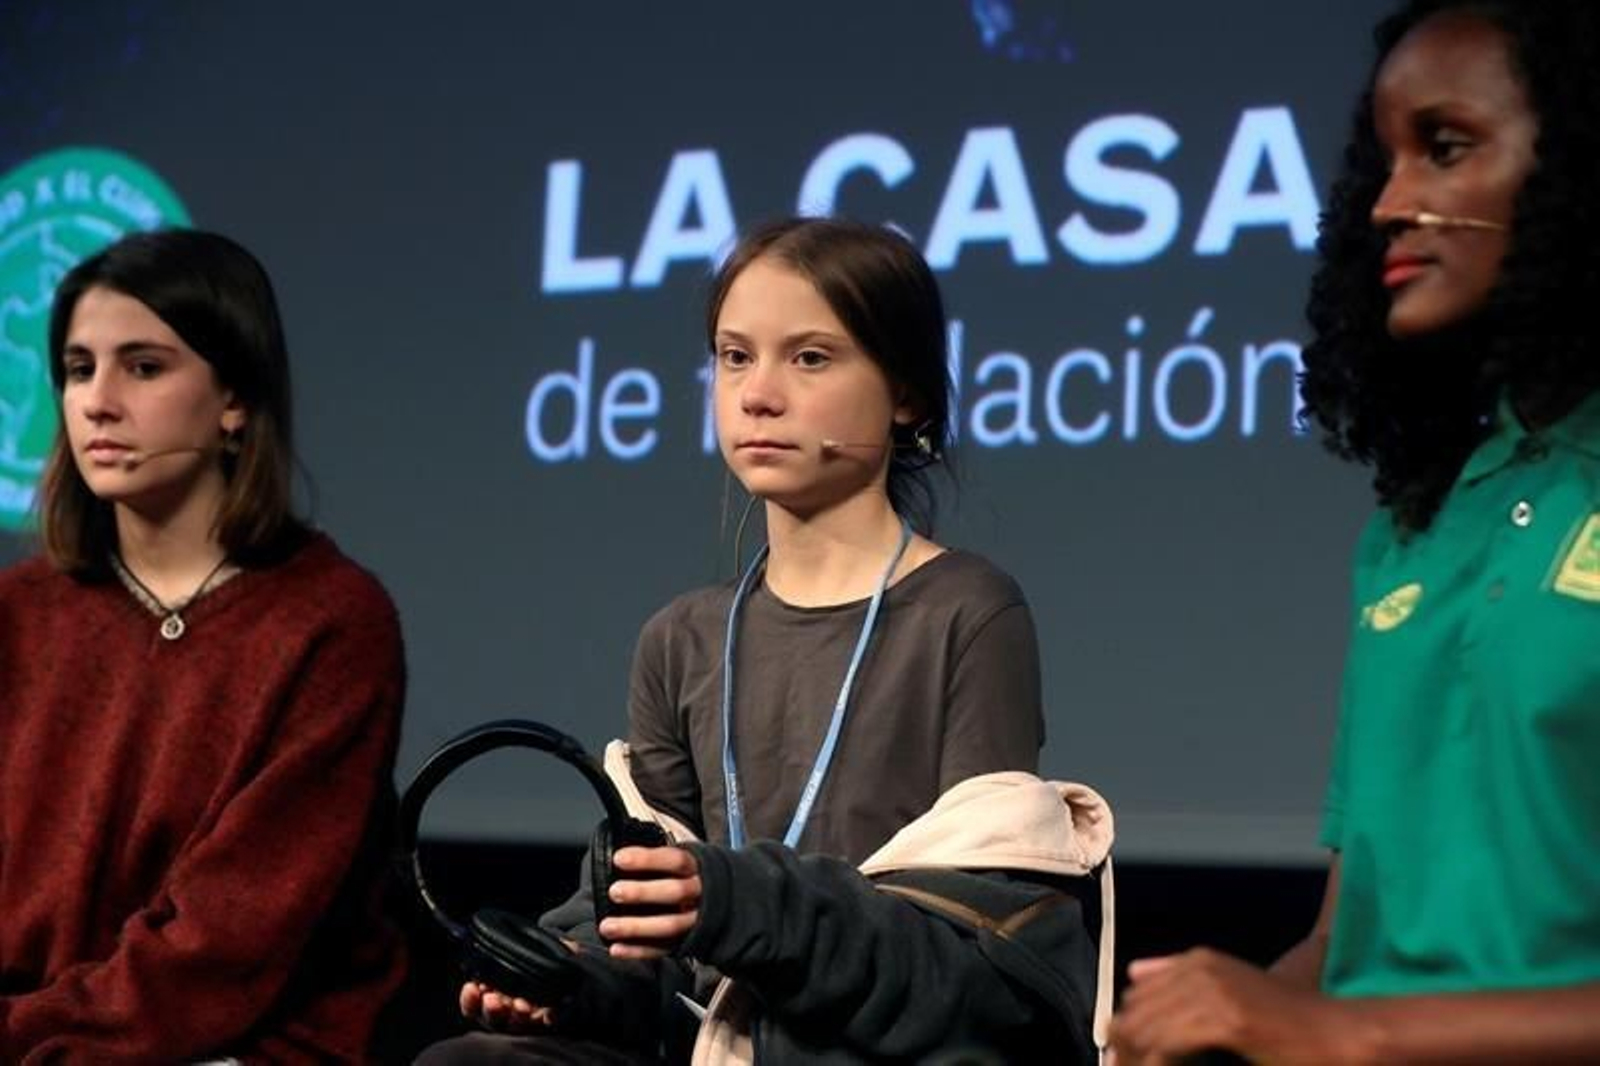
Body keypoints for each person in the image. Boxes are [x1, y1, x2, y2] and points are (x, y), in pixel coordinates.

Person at [419, 218, 1107, 1063]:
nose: (758, 394)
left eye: (810, 358)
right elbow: (651, 945)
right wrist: (568, 983)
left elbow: (979, 968)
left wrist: (738, 902)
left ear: (907, 395)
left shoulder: (967, 613)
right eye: (735, 356)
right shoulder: (684, 638)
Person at [1109, 1, 1600, 1061]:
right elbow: (1345, 941)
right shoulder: (1413, 525)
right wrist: (1207, 1018)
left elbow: (1352, 1015)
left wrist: (1352, 1031)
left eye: (1445, 147)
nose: (1392, 201)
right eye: (1383, 160)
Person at [0, 229, 408, 1062]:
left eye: (143, 368)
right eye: (80, 369)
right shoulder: (19, 610)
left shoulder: (331, 621)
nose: (97, 402)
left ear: (234, 400)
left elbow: (223, 950)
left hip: (239, 1043)